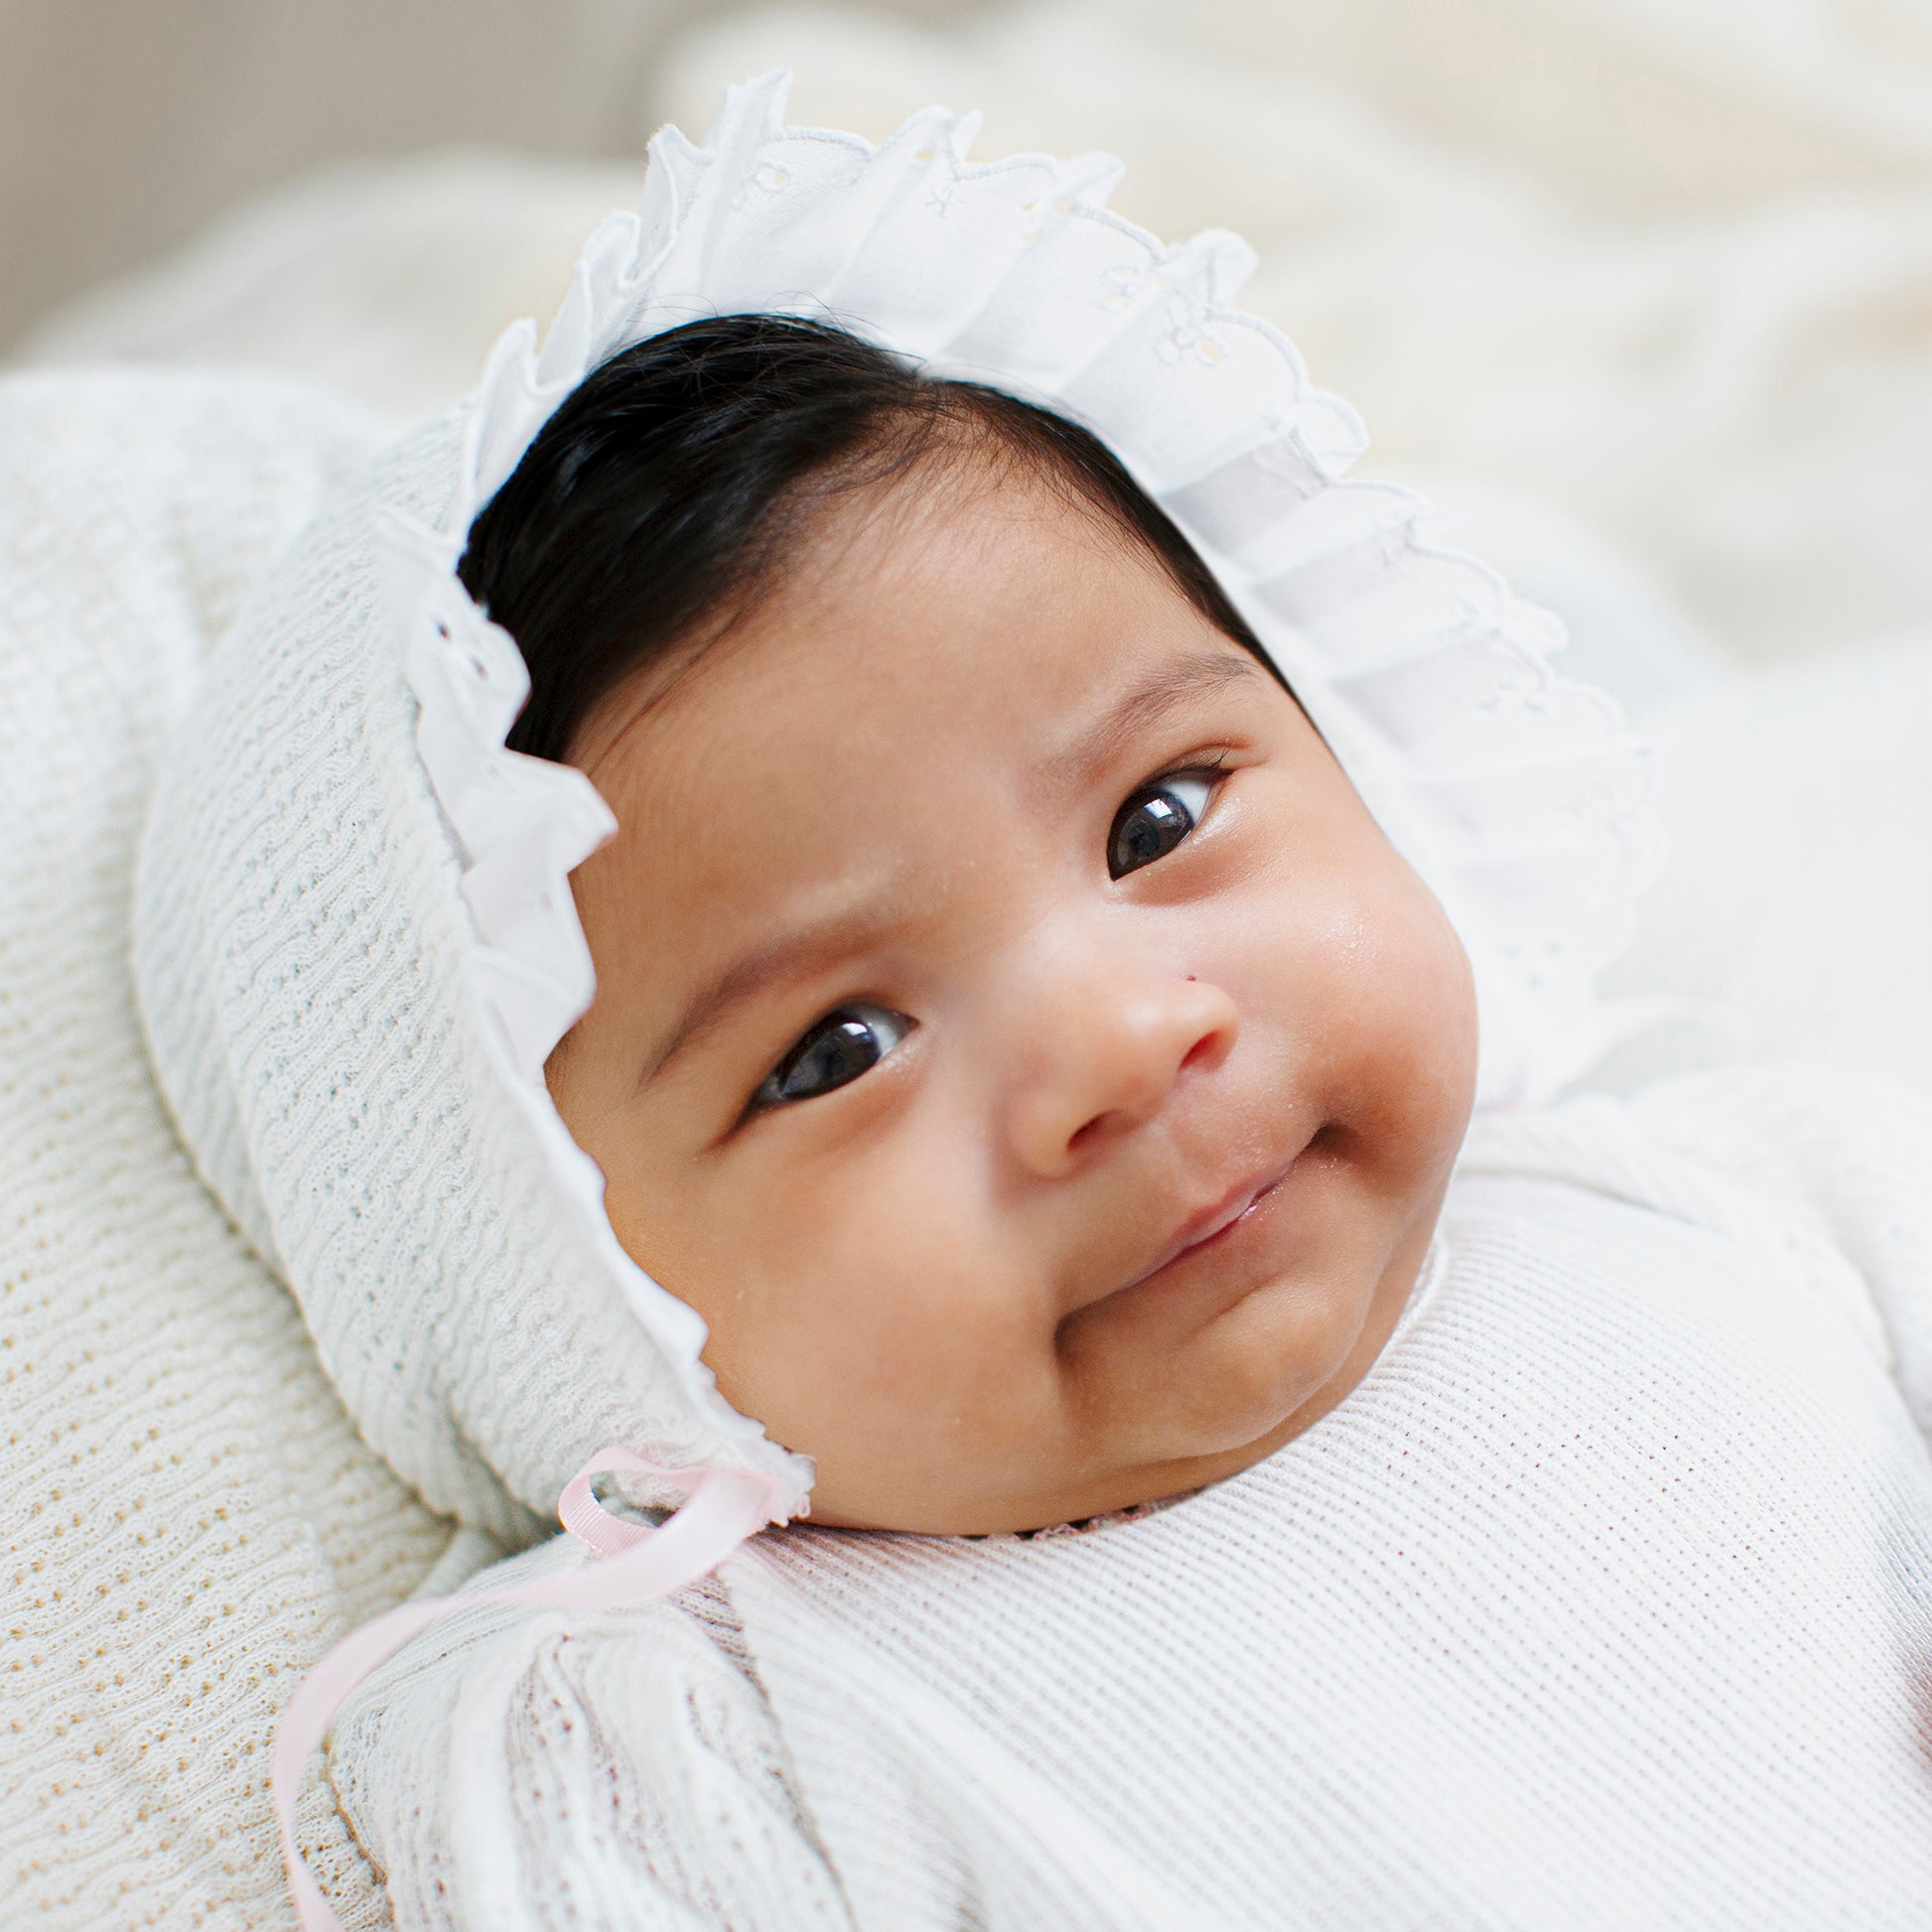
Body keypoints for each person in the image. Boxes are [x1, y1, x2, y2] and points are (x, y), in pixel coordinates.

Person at [134, 78, 1932, 1930]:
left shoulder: (1738, 1207)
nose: (1123, 1043)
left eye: (1158, 817)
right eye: (835, 1050)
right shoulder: (670, 1734)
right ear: (550, 1290)